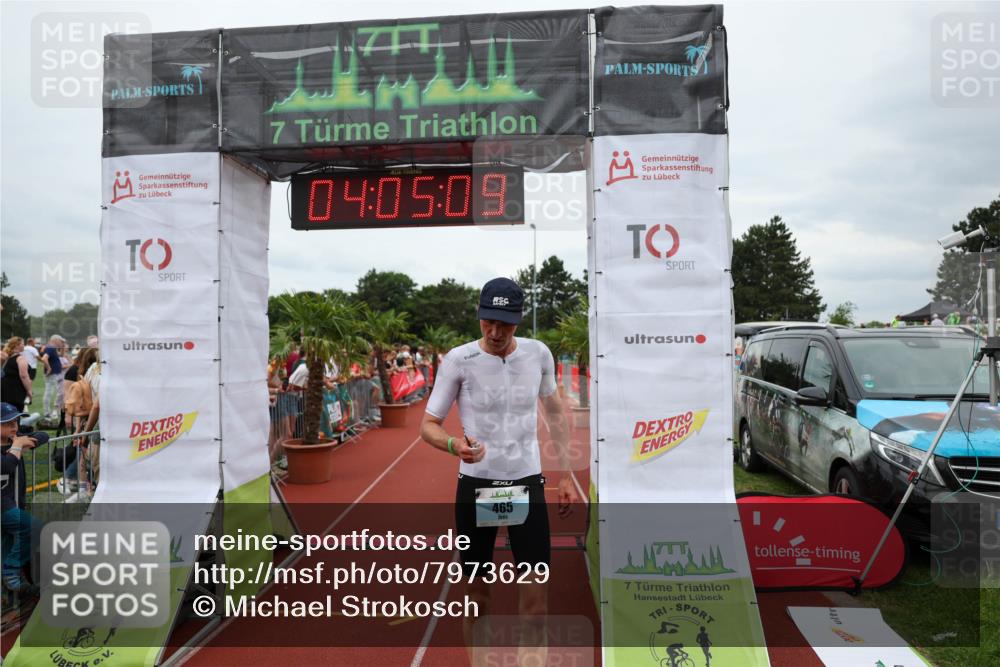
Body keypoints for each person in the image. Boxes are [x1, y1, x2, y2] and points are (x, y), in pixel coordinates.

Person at [420, 277, 579, 665]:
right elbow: (428, 425)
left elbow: (556, 413)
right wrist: (455, 445)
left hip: (526, 482)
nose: (494, 332)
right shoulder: (458, 360)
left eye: (504, 324)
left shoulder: (538, 354)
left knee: (536, 598)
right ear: (479, 316)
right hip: (477, 486)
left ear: (518, 320)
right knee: (477, 597)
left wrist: (565, 475)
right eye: (488, 321)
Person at [1, 402, 48, 598]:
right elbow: (6, 466)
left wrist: (24, 442)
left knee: (9, 541)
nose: (14, 427)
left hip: (12, 502)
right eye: (7, 423)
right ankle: (11, 571)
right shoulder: (13, 445)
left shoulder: (13, 440)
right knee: (35, 528)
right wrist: (17, 446)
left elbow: (43, 435)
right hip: (3, 505)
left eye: (15, 422)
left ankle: (11, 588)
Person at [1, 338, 33, 412]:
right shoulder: (20, 359)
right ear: (17, 345)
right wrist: (29, 391)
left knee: (6, 416)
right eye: (22, 344)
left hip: (4, 392)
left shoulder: (7, 358)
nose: (24, 345)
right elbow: (24, 376)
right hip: (16, 393)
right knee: (15, 417)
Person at [41, 335, 66, 419]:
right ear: (55, 340)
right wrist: (49, 368)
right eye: (60, 341)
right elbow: (44, 358)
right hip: (52, 374)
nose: (61, 343)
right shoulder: (50, 348)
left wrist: (62, 346)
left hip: (55, 374)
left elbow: (61, 355)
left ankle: (48, 412)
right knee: (49, 393)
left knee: (53, 393)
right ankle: (47, 413)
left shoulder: (52, 348)